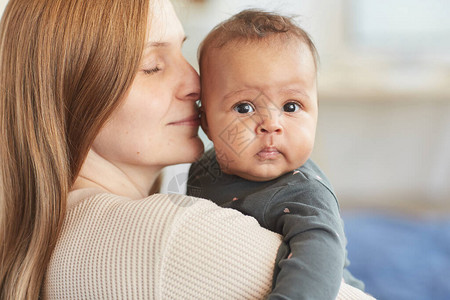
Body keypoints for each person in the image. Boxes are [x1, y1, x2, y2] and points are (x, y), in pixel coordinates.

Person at [0, 0, 374, 299]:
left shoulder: (57, 231)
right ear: (75, 94)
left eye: (182, 52)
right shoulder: (165, 235)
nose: (195, 84)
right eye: (152, 66)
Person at [187, 9, 365, 299]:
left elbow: (318, 263)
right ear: (206, 122)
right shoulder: (202, 170)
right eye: (244, 107)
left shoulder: (304, 193)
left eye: (291, 106)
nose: (271, 124)